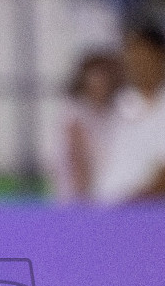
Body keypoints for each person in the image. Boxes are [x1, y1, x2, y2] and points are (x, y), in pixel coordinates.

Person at [91, 22, 165, 205]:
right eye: (129, 52)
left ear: (161, 55)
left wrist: (126, 209)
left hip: (151, 219)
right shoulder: (123, 101)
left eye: (140, 53)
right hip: (106, 217)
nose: (133, 60)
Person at [48, 51, 122, 203]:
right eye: (95, 76)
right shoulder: (74, 113)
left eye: (105, 77)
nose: (101, 83)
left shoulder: (119, 111)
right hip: (80, 201)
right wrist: (85, 203)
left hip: (112, 198)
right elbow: (78, 163)